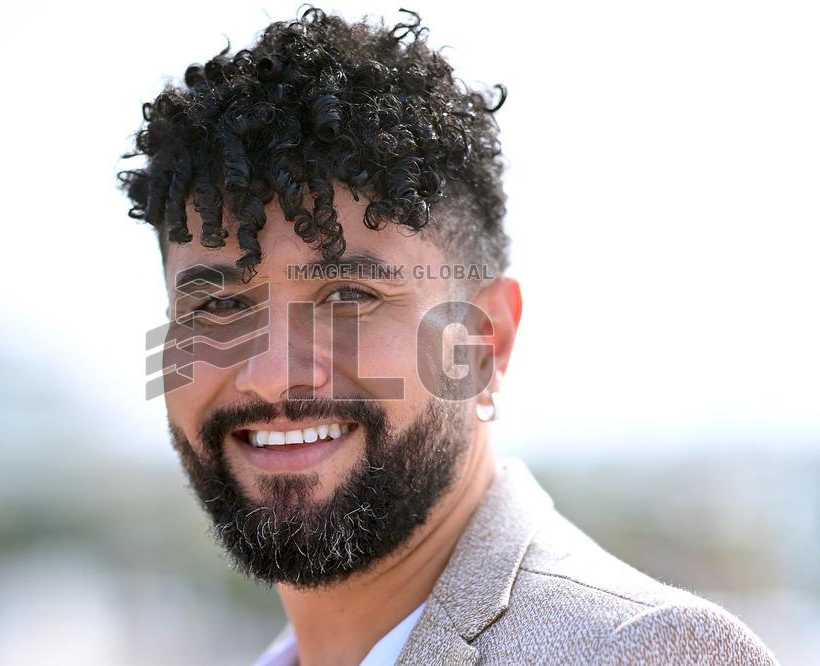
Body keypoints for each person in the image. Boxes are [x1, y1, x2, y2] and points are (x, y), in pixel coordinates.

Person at [118, 6, 778, 664]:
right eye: (219, 305)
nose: (268, 372)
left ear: (485, 342)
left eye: (349, 296)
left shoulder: (646, 652)